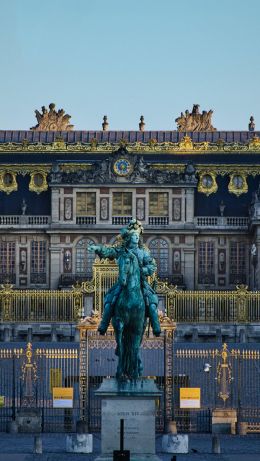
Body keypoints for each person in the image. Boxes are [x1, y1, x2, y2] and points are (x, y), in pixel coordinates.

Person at [88, 219, 161, 336]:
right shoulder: (122, 251)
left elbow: (152, 266)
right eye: (134, 235)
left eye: (138, 235)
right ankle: (104, 324)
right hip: (123, 283)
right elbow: (110, 251)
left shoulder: (143, 252)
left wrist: (142, 270)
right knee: (109, 301)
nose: (137, 237)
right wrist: (98, 249)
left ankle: (156, 326)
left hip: (140, 282)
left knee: (152, 304)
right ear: (129, 237)